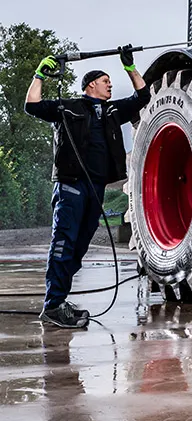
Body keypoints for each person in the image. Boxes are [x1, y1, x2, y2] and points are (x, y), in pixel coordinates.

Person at [25, 46, 150, 328]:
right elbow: (32, 105)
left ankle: (58, 301)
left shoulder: (113, 110)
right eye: (106, 81)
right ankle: (53, 305)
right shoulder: (69, 107)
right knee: (63, 243)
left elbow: (143, 96)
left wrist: (130, 67)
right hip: (71, 186)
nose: (110, 85)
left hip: (96, 188)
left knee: (79, 247)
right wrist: (39, 75)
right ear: (91, 84)